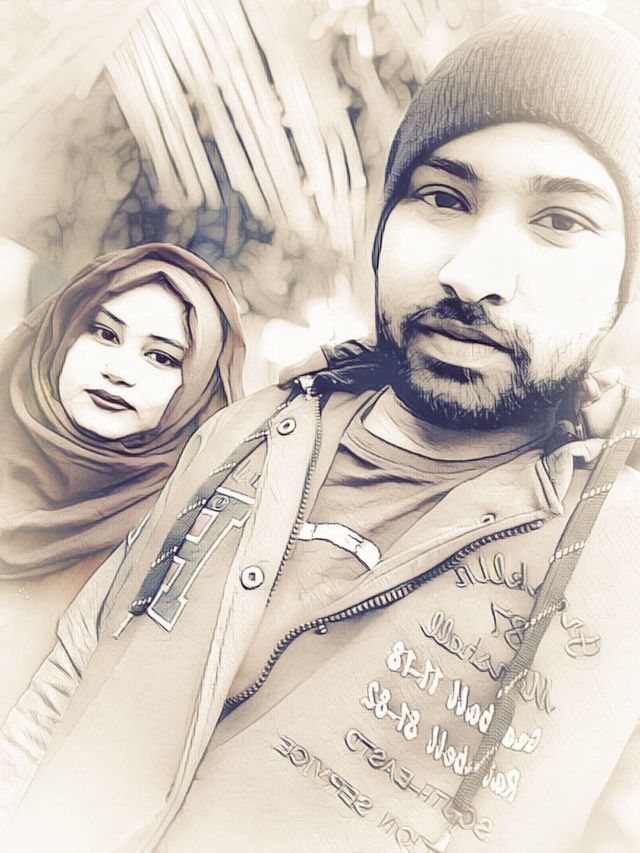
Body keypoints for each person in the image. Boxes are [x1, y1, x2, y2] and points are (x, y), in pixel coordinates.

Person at [1, 10, 640, 853]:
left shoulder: (619, 564)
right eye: (443, 197)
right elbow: (76, 667)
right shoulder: (249, 431)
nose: (472, 274)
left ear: (625, 280)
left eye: (561, 220)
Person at [0, 243, 245, 721]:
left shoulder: (186, 539)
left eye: (162, 357)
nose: (118, 372)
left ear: (199, 389)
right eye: (105, 334)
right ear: (62, 332)